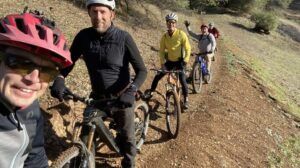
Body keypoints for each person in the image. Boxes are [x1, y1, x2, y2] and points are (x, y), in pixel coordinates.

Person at [50, 0, 147, 167]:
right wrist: (59, 79)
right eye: (94, 11)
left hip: (121, 98)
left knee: (128, 138)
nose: (98, 16)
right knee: (86, 136)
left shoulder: (124, 38)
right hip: (97, 99)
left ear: (112, 14)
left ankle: (129, 162)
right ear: (89, 13)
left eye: (102, 11)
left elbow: (142, 70)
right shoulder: (83, 37)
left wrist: (131, 91)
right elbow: (68, 63)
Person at [0, 11, 72, 168]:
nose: (33, 79)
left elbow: (35, 157)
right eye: (20, 63)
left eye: (47, 71)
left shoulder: (32, 110)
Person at [144, 13, 191, 109]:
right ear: (166, 23)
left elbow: (188, 48)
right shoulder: (165, 37)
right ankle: (151, 92)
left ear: (176, 24)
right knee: (157, 76)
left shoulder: (181, 34)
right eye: (169, 22)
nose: (171, 24)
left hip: (180, 62)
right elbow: (161, 51)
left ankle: (186, 100)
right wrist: (162, 64)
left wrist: (185, 61)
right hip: (170, 61)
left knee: (182, 79)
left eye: (173, 23)